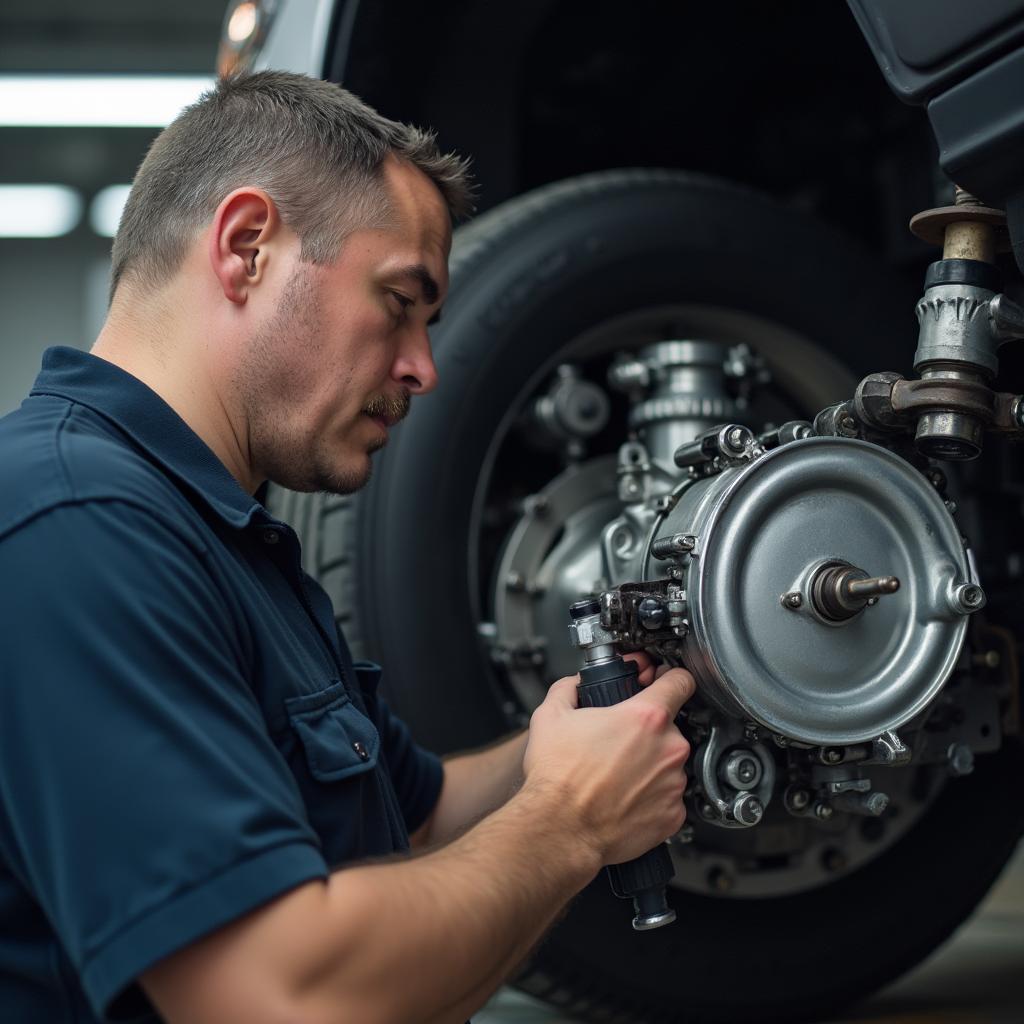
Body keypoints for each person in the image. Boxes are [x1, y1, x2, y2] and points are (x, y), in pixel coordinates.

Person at [0, 71, 694, 1024]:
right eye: (400, 300)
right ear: (248, 248)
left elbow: (419, 817)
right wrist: (572, 822)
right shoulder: (74, 523)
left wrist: (603, 731)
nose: (424, 366)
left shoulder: (228, 539)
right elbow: (275, 992)